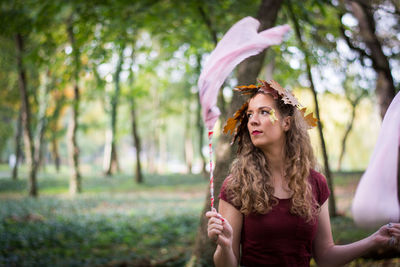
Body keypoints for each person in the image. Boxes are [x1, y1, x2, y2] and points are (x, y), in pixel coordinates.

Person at [206, 80, 400, 267]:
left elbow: (325, 257)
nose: (253, 121)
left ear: (286, 123)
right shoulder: (236, 185)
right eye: (249, 115)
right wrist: (224, 245)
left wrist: (374, 240)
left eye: (264, 112)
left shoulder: (316, 183)